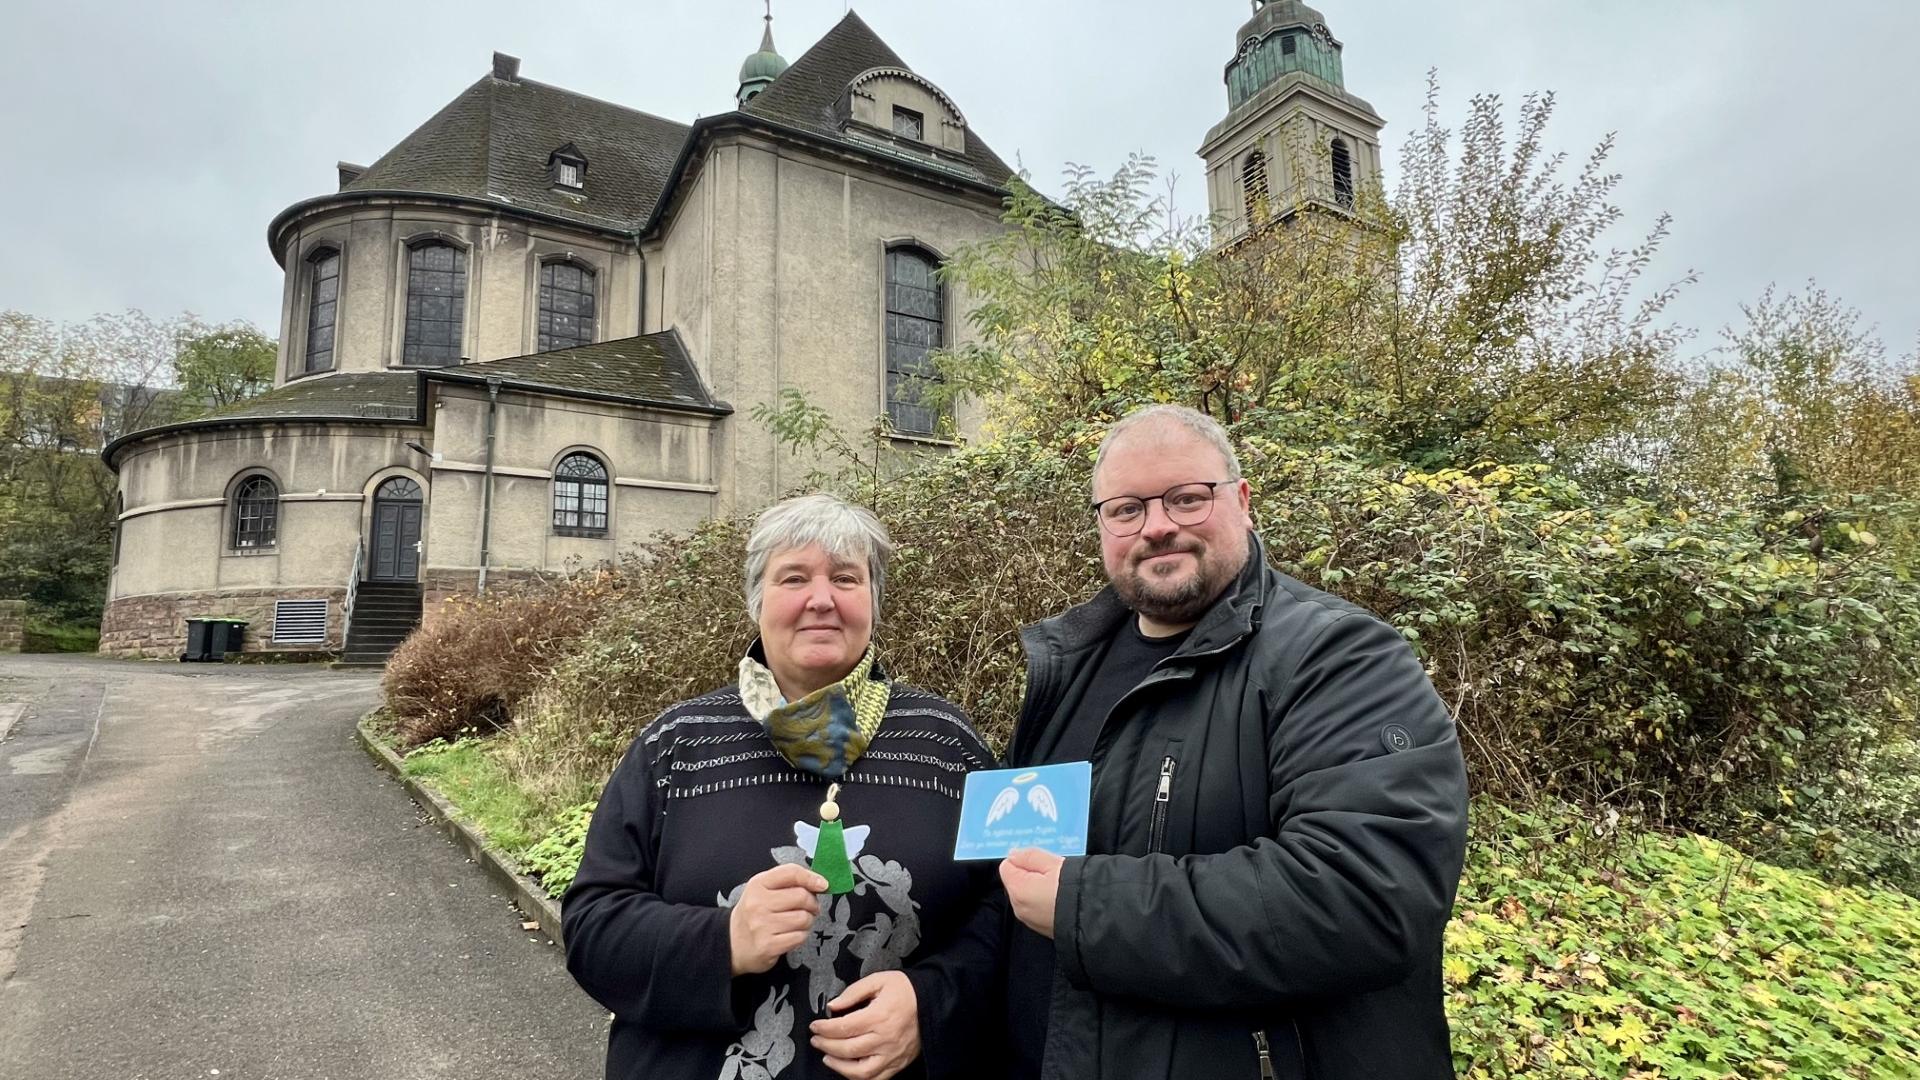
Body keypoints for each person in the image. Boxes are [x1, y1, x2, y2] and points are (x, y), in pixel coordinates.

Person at [997, 405, 1470, 1080]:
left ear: (1242, 503)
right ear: (1102, 525)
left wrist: (1084, 905)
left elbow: (1367, 896)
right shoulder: (1066, 669)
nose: (1157, 526)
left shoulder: (1339, 657)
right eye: (1126, 508)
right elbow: (1007, 873)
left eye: (1187, 499)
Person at [564, 493, 999, 1080]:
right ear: (756, 601)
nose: (821, 599)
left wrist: (933, 1004)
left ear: (873, 600)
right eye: (793, 577)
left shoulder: (950, 747)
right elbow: (593, 926)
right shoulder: (675, 748)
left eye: (846, 578)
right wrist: (723, 941)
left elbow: (1006, 919)